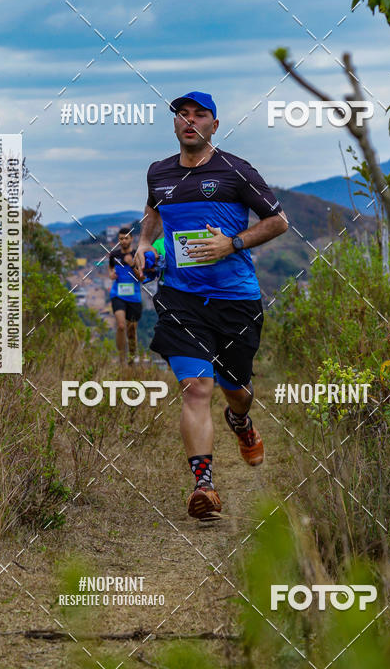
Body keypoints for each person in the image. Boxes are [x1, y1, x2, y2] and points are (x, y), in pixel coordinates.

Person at [134, 91, 288, 520]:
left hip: (236, 299)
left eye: (200, 115)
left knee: (235, 390)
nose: (190, 121)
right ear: (175, 124)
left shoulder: (237, 170)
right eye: (182, 114)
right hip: (180, 299)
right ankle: (204, 487)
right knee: (196, 388)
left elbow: (278, 222)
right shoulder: (159, 173)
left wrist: (232, 243)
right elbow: (153, 213)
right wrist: (144, 244)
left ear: (214, 126)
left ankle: (240, 421)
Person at [108, 227, 142, 365]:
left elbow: (142, 278)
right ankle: (121, 360)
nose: (123, 241)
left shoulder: (137, 255)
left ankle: (131, 360)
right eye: (121, 239)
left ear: (131, 239)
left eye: (126, 238)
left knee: (131, 331)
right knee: (121, 326)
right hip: (118, 294)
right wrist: (111, 274)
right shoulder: (114, 255)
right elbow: (111, 268)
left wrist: (132, 264)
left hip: (134, 297)